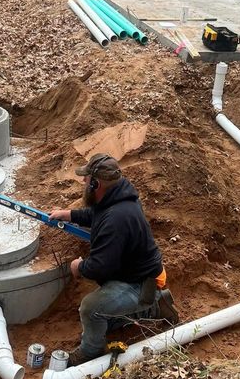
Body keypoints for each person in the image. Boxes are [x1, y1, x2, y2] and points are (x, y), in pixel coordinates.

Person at [49, 153, 179, 367]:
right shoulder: (117, 200)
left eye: (87, 179)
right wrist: (69, 214)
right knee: (103, 312)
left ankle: (90, 351)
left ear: (96, 184)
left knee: (90, 308)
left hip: (138, 284)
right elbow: (96, 215)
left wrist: (78, 266)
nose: (83, 182)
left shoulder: (116, 219)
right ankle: (157, 306)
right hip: (136, 275)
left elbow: (99, 267)